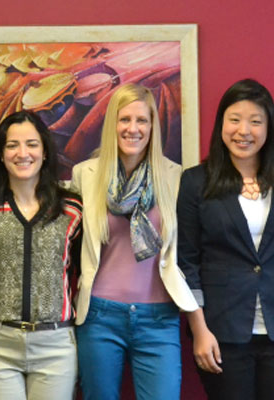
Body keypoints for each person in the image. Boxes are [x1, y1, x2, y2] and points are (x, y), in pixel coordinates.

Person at [179, 79, 274, 400]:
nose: (244, 131)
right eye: (234, 119)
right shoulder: (196, 181)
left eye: (255, 121)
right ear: (221, 124)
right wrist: (199, 330)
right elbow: (186, 262)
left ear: (269, 127)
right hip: (222, 330)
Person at [72, 83, 199, 400]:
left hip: (159, 319)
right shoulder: (84, 175)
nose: (133, 128)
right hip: (99, 316)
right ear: (111, 124)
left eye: (142, 120)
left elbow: (185, 254)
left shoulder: (175, 177)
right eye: (124, 119)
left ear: (153, 126)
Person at [0, 111, 82, 400]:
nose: (23, 153)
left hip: (55, 344)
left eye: (32, 144)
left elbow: (86, 269)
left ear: (45, 151)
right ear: (0, 154)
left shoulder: (72, 208)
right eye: (12, 145)